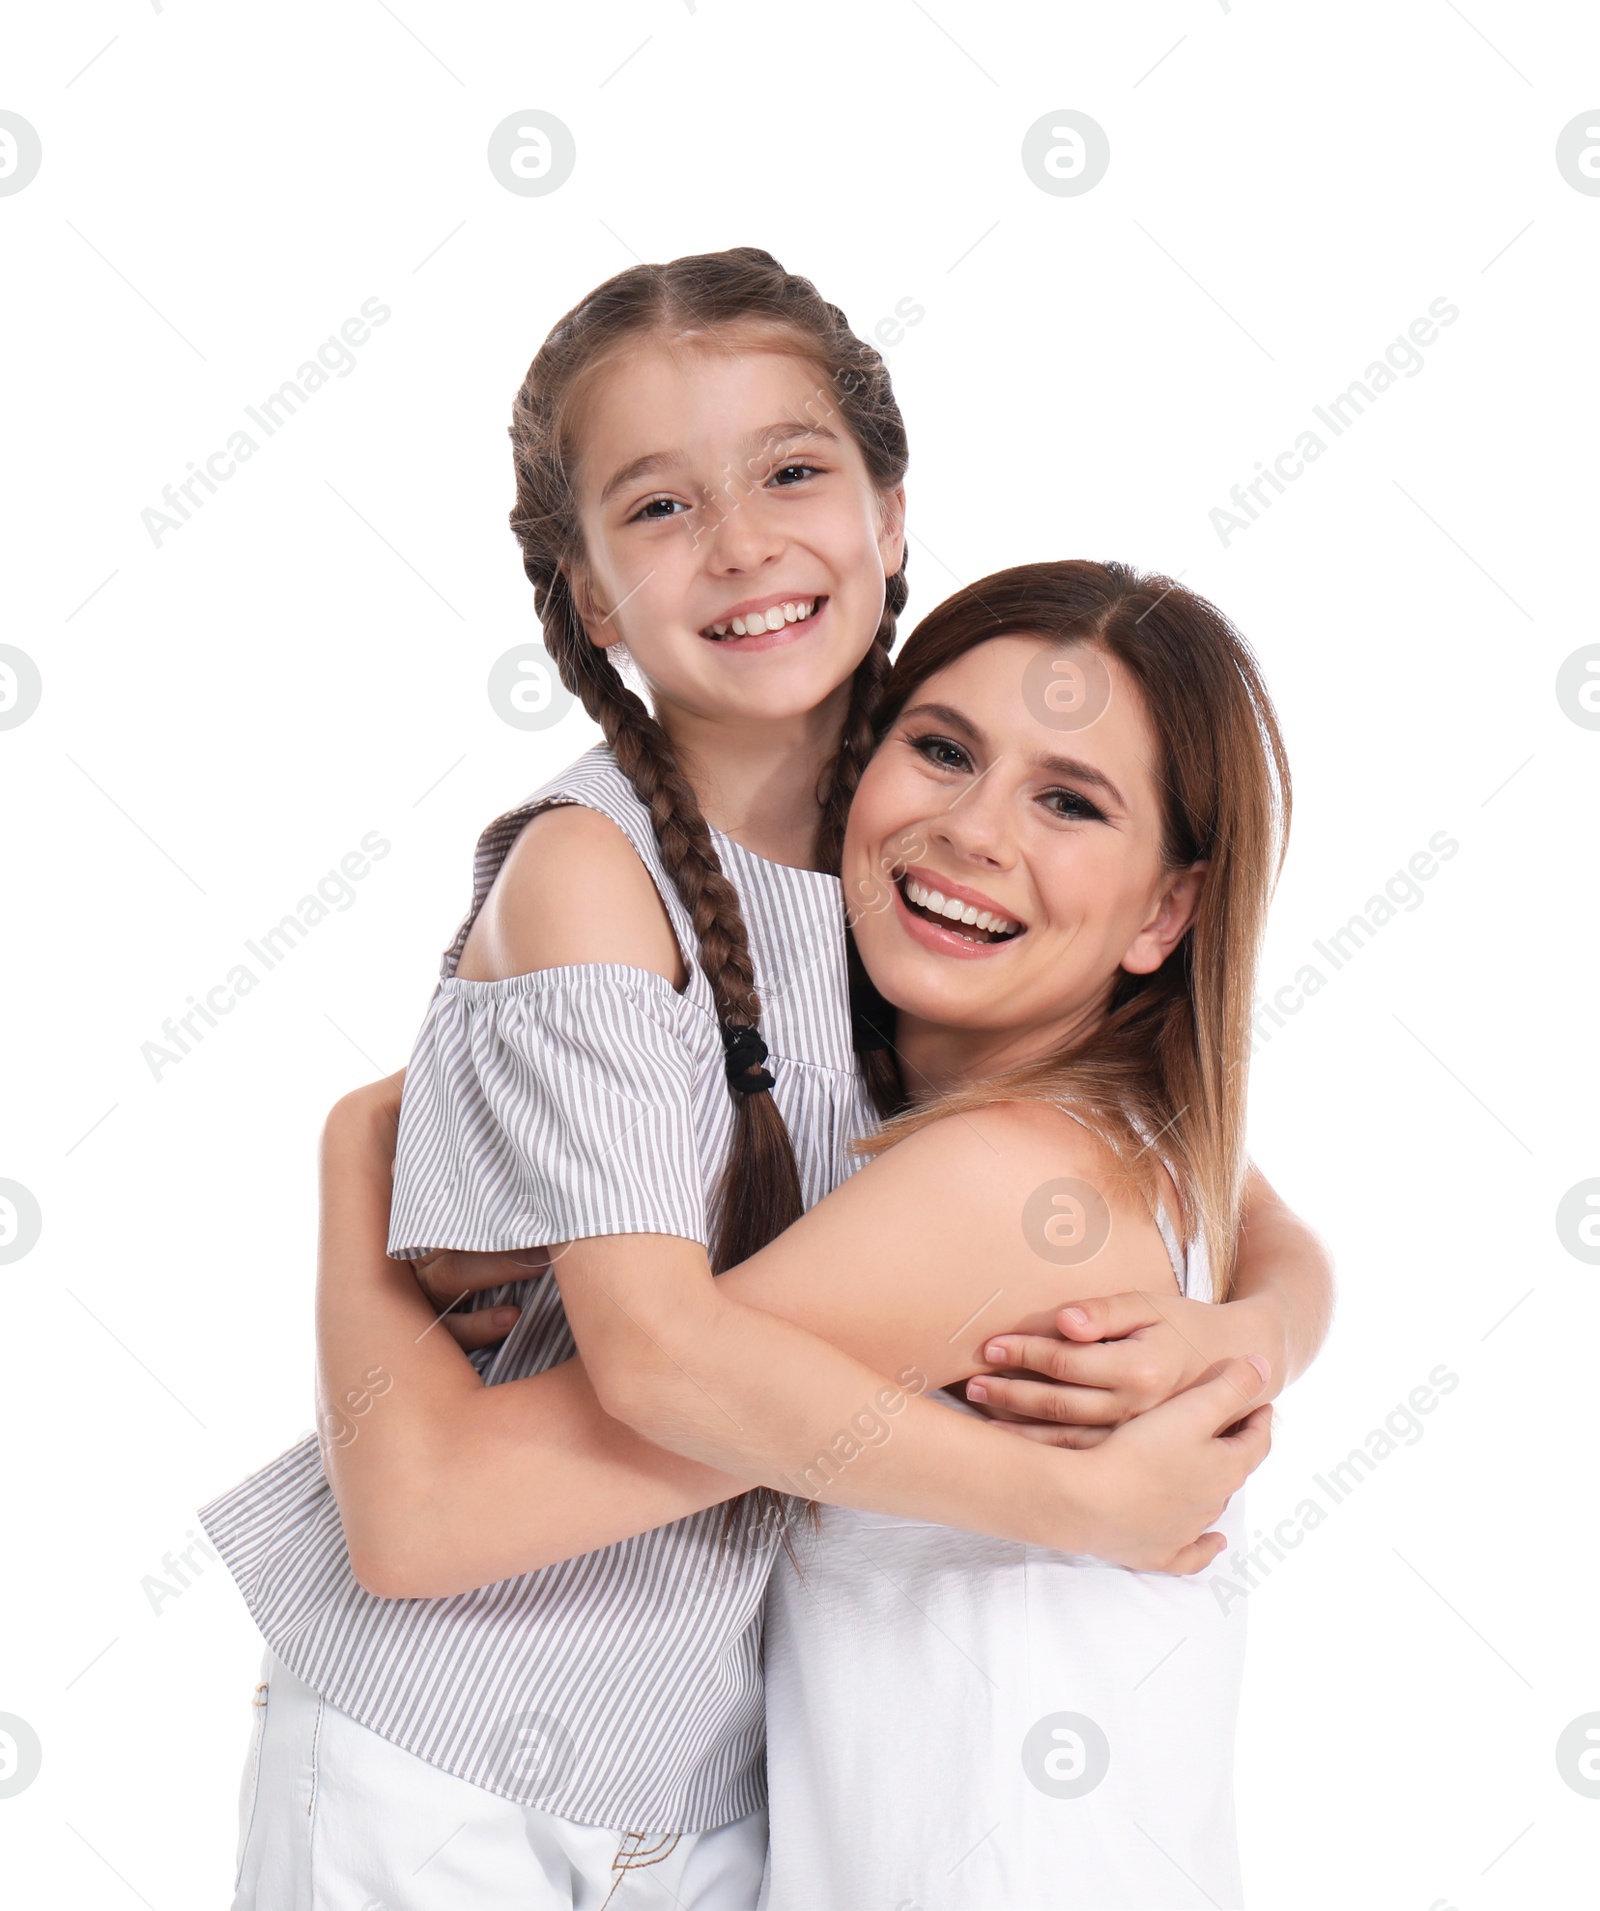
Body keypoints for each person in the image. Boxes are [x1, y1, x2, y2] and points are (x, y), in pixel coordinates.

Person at [203, 247, 1327, 1910]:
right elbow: (622, 1384)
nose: (739, 543)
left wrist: (1268, 1317)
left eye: (792, 472)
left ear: (888, 512)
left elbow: (1190, 1162)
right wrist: (1068, 1498)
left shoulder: (911, 846)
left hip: (705, 1771)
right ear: (590, 601)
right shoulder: (605, 876)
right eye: (658, 507)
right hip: (452, 1741)